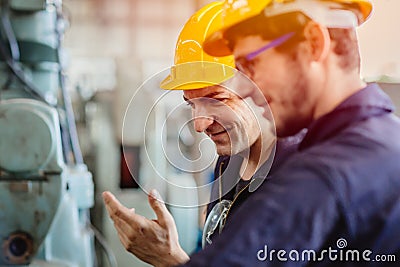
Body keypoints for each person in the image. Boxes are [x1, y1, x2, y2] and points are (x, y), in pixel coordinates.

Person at [172, 0, 400, 266]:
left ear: (314, 42)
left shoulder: (322, 177)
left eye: (250, 64)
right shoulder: (387, 140)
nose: (246, 89)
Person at [102, 2, 303, 266]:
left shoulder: (301, 178)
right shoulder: (228, 163)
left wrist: (170, 259)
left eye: (217, 99)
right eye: (192, 104)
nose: (199, 124)